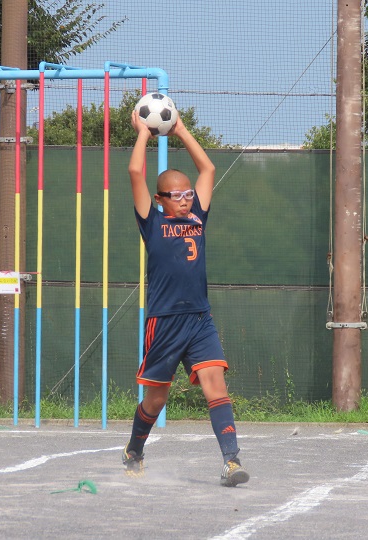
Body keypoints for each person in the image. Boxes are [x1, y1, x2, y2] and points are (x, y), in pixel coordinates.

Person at [122, 110, 249, 488]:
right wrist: (143, 133)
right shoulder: (152, 221)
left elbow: (208, 168)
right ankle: (134, 450)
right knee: (155, 401)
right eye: (177, 195)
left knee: (216, 385)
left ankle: (231, 462)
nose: (185, 199)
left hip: (198, 319)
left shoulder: (197, 218)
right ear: (160, 199)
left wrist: (180, 129)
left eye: (188, 193)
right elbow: (135, 171)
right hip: (163, 321)